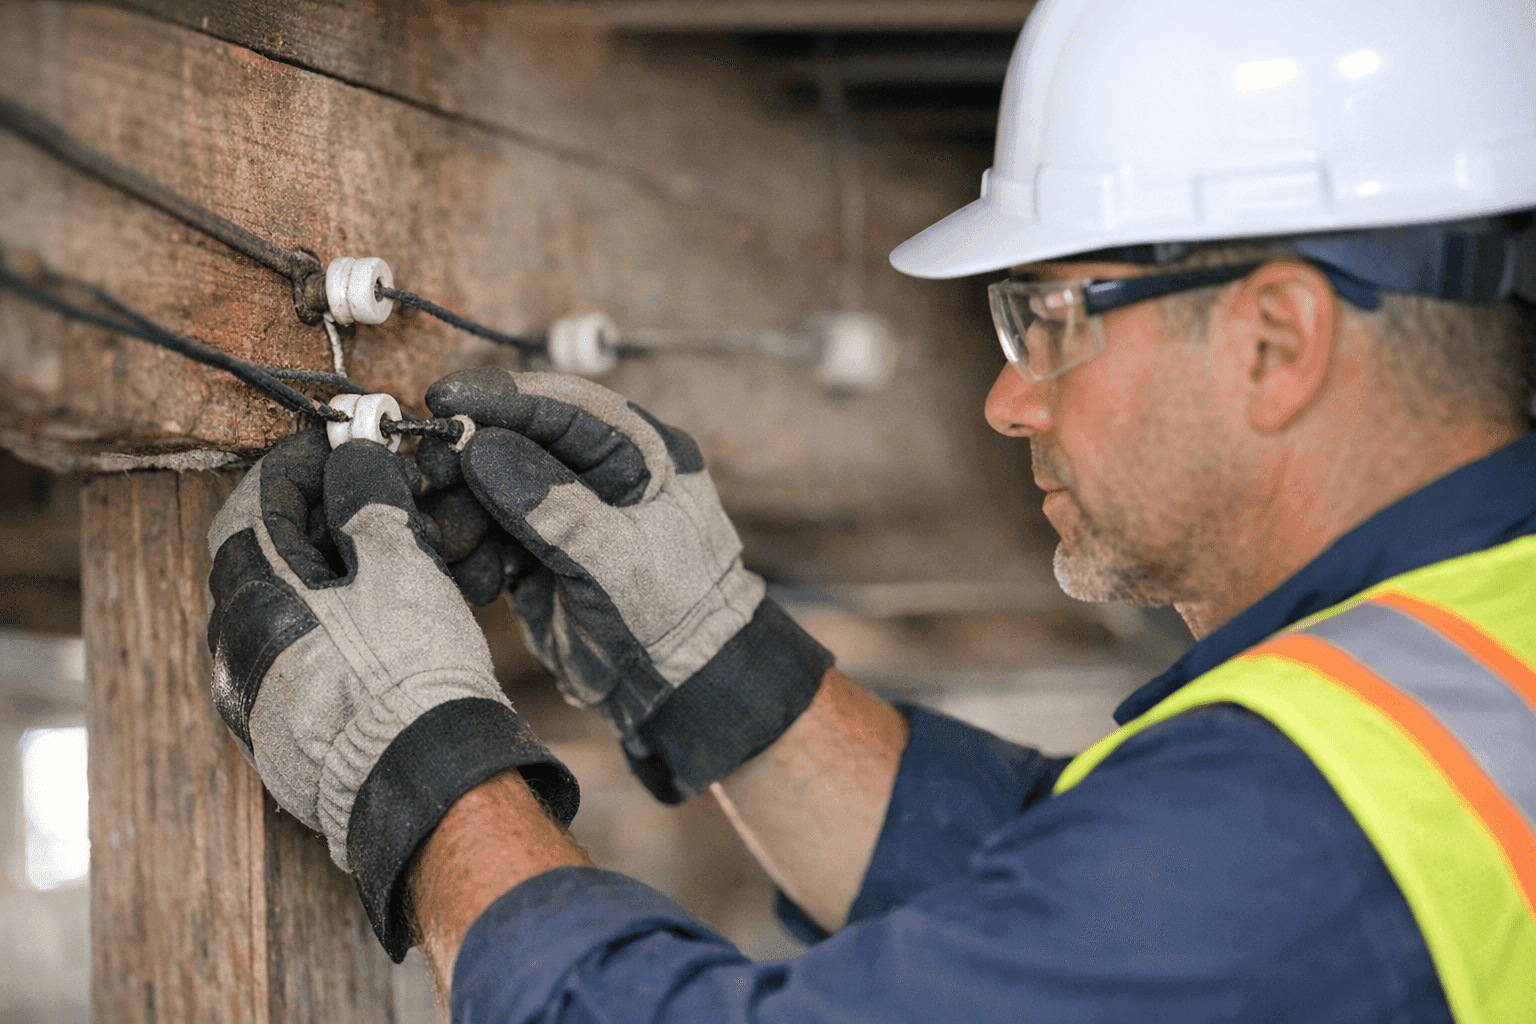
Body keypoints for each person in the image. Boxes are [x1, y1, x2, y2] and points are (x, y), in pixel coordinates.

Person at [205, 0, 1536, 1019]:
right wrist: (717, 654)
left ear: (1275, 341)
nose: (1011, 401)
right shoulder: (1465, 686)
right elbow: (1053, 900)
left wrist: (427, 774)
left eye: (1049, 317)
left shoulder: (1318, 814)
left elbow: (1166, 897)